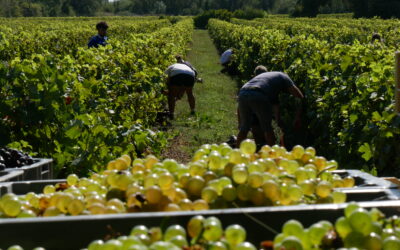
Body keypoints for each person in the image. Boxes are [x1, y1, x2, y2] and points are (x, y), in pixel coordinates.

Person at [236, 65, 304, 147]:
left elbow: (275, 105)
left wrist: (240, 123)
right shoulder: (284, 77)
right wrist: (298, 116)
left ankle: (237, 151)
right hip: (259, 94)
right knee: (267, 128)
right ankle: (272, 154)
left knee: (244, 128)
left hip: (242, 92)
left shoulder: (267, 81)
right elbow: (299, 96)